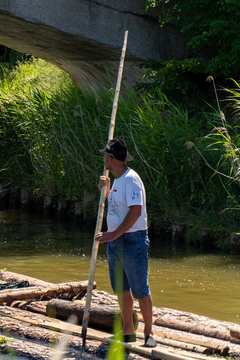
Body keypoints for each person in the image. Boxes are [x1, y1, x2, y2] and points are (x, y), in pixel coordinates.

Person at [94, 138, 156, 348]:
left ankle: (148, 333)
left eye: (105, 155)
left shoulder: (131, 179)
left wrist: (113, 234)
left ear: (111, 158)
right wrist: (106, 191)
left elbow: (135, 211)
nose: (103, 158)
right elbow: (117, 207)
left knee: (140, 289)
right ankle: (128, 330)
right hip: (116, 240)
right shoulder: (117, 179)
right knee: (121, 288)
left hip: (132, 240)